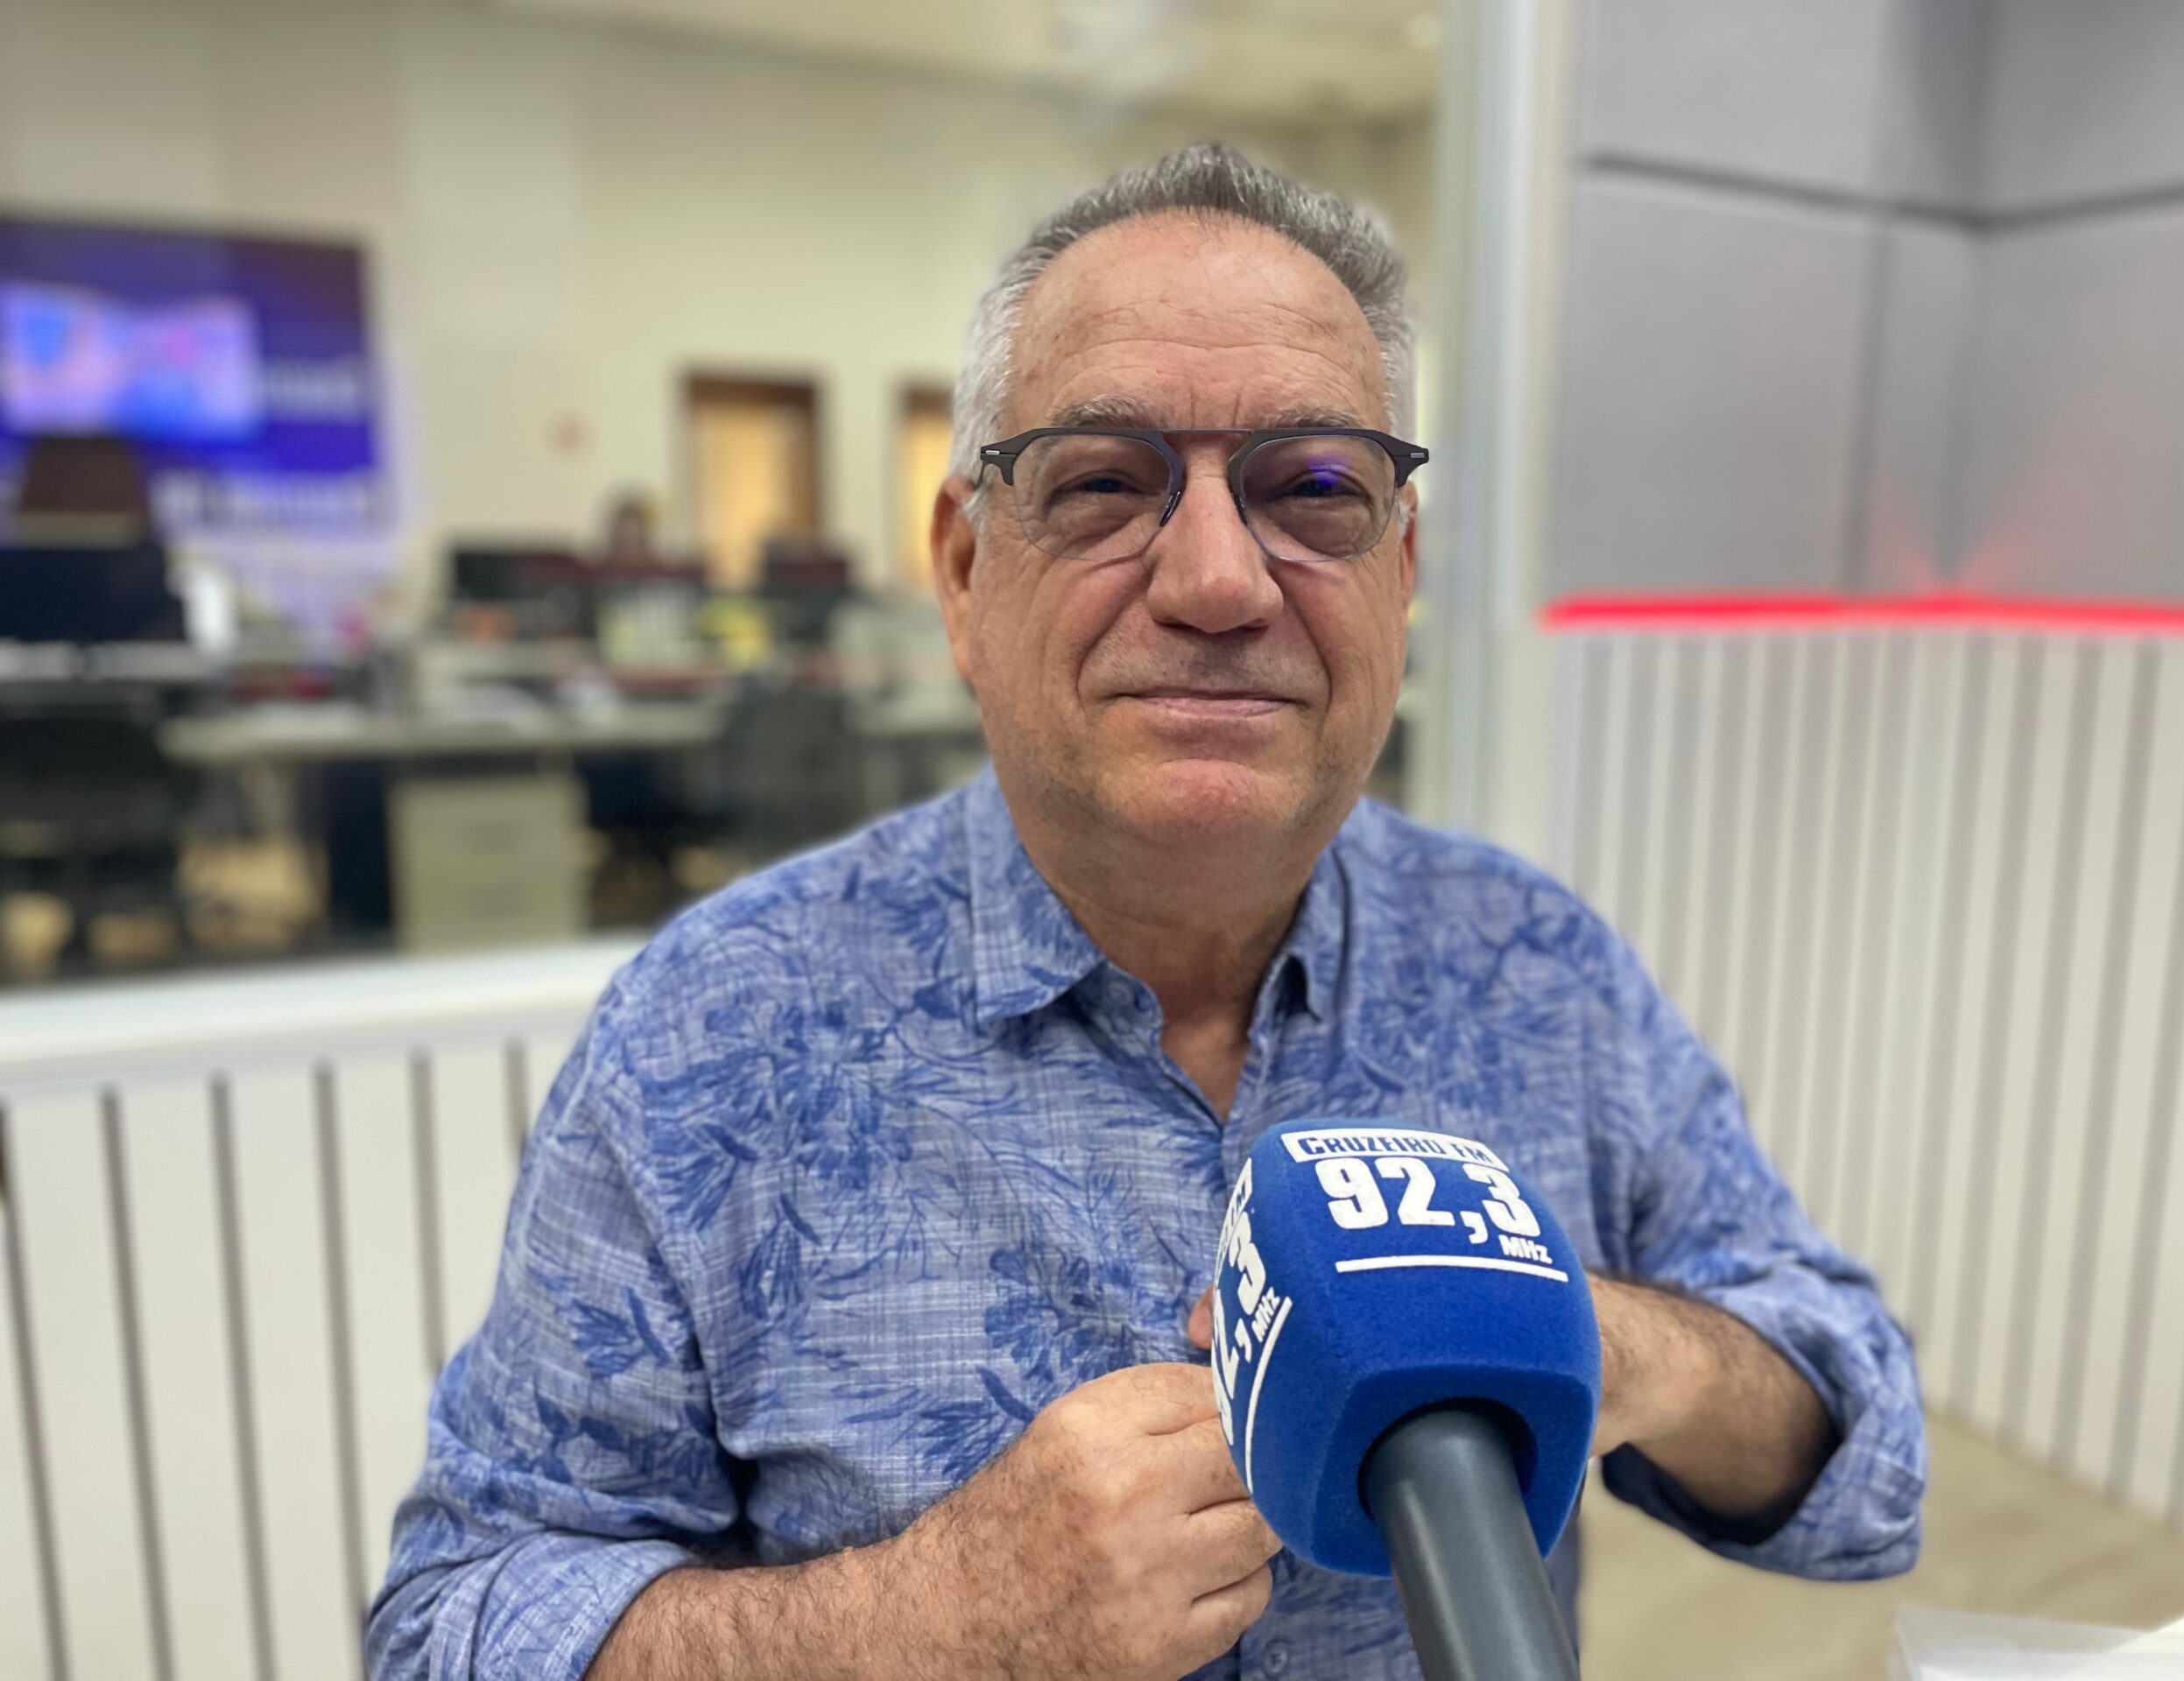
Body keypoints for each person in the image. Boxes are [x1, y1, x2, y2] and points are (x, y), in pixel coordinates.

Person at [368, 143, 1924, 1681]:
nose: (1217, 582)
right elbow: (453, 1625)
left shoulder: (1535, 969)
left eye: (1315, 488)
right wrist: (922, 1624)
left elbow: (1867, 1462)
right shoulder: (717, 1028)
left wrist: (1613, 1341)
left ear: (1400, 572)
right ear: (966, 574)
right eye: (1105, 482)